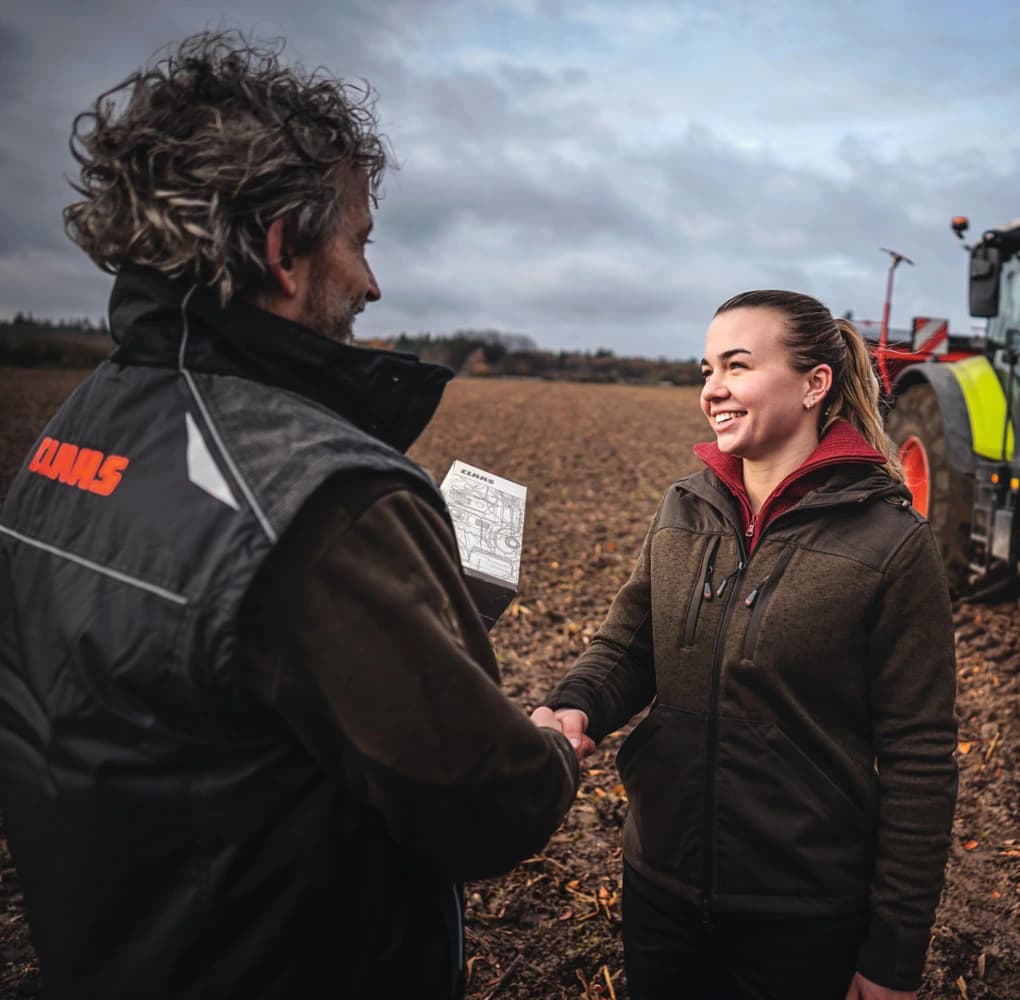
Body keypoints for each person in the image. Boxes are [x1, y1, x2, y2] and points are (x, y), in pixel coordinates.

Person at [0, 32, 579, 999]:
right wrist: (552, 748)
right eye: (359, 242)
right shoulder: (327, 499)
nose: (371, 284)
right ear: (283, 250)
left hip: (114, 942)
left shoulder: (83, 419)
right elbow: (486, 807)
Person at [534, 289, 959, 999]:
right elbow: (630, 646)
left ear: (814, 384)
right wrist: (577, 704)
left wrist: (894, 954)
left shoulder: (891, 543)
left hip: (804, 914)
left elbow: (920, 757)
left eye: (737, 366)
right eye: (707, 370)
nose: (713, 389)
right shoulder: (685, 507)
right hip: (660, 887)